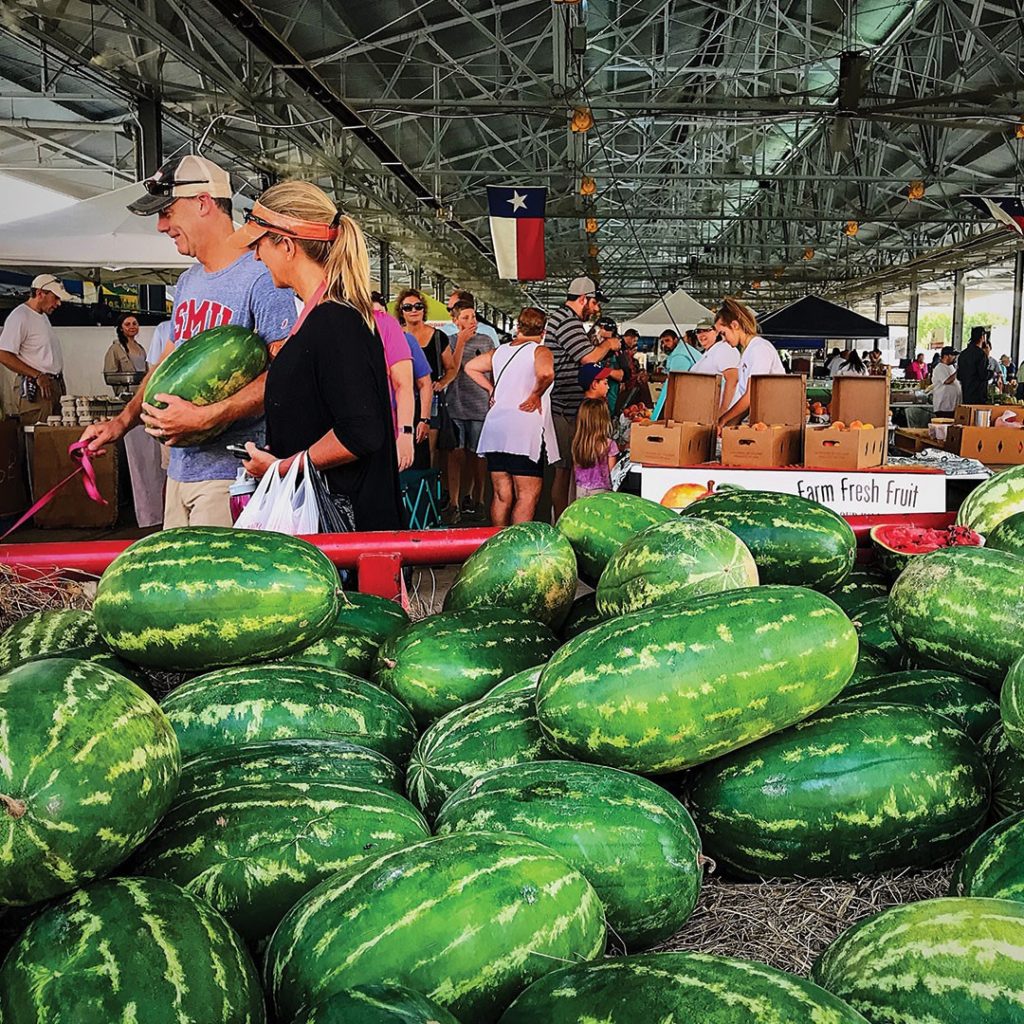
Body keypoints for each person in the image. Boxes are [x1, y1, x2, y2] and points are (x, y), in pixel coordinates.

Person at [80, 155, 297, 528]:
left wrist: (207, 416)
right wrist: (120, 424)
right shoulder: (187, 283)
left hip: (232, 476)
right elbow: (167, 361)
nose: (162, 226)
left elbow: (284, 374)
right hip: (180, 471)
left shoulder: (262, 277)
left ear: (203, 202)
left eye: (167, 212)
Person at [233, 180, 402, 531]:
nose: (256, 256)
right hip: (328, 524)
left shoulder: (335, 321)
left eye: (259, 244)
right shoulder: (322, 318)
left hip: (343, 535)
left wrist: (280, 467)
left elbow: (361, 432)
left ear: (287, 245)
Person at [467, 306, 557, 527]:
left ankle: (497, 541)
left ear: (518, 327)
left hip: (496, 429)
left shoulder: (500, 352)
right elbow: (546, 373)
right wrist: (536, 394)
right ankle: (516, 546)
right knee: (527, 495)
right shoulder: (540, 351)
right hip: (523, 431)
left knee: (501, 495)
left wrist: (491, 389)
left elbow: (470, 367)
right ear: (543, 331)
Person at [544, 275, 621, 521]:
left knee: (568, 469)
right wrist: (608, 344)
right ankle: (562, 521)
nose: (596, 309)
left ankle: (566, 518)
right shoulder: (568, 322)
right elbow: (587, 358)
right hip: (564, 408)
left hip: (567, 405)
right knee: (564, 469)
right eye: (595, 303)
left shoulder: (564, 319)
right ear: (583, 299)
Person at [436, 300, 493, 521]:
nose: (472, 322)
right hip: (455, 404)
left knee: (477, 455)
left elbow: (493, 369)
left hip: (479, 405)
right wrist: (460, 342)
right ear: (455, 321)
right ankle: (454, 502)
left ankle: (477, 499)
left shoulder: (486, 341)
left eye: (473, 317)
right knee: (455, 454)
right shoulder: (448, 342)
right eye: (466, 317)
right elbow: (452, 368)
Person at [0, 273, 73, 425]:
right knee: (39, 436)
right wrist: (37, 375)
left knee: (54, 435)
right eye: (55, 297)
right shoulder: (20, 316)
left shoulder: (42, 316)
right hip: (37, 386)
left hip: (53, 384)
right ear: (40, 293)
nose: (58, 303)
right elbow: (3, 354)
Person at [373, 291, 431, 462]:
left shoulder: (405, 339)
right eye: (407, 307)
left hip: (396, 418)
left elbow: (423, 382)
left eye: (380, 312)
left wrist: (423, 420)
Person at [397, 286, 452, 462]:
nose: (414, 310)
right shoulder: (396, 337)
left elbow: (451, 368)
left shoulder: (438, 337)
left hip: (430, 399)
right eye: (408, 307)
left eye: (418, 306)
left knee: (428, 451)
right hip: (401, 397)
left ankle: (426, 485)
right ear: (401, 312)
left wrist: (442, 382)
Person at [716, 297, 785, 429]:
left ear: (735, 325)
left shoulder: (759, 349)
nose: (723, 340)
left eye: (723, 333)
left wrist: (724, 419)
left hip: (770, 424)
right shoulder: (748, 351)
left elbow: (751, 395)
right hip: (759, 423)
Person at [690, 317, 740, 417]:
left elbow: (733, 379)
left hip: (719, 418)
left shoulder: (724, 349)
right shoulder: (709, 352)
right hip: (703, 415)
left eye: (706, 330)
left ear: (717, 332)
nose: (702, 334)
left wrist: (723, 411)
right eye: (698, 331)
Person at [572, 397, 619, 499]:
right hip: (602, 491)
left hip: (580, 488)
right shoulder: (610, 444)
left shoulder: (578, 443)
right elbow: (613, 475)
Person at [958, 326, 989, 404]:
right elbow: (983, 375)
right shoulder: (980, 354)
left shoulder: (963, 353)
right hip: (978, 394)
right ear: (982, 337)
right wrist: (992, 373)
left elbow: (959, 375)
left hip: (965, 393)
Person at [931, 346, 960, 415]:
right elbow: (947, 381)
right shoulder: (939, 367)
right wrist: (959, 371)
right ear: (946, 356)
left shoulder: (951, 367)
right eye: (953, 355)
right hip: (944, 407)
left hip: (953, 406)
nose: (955, 357)